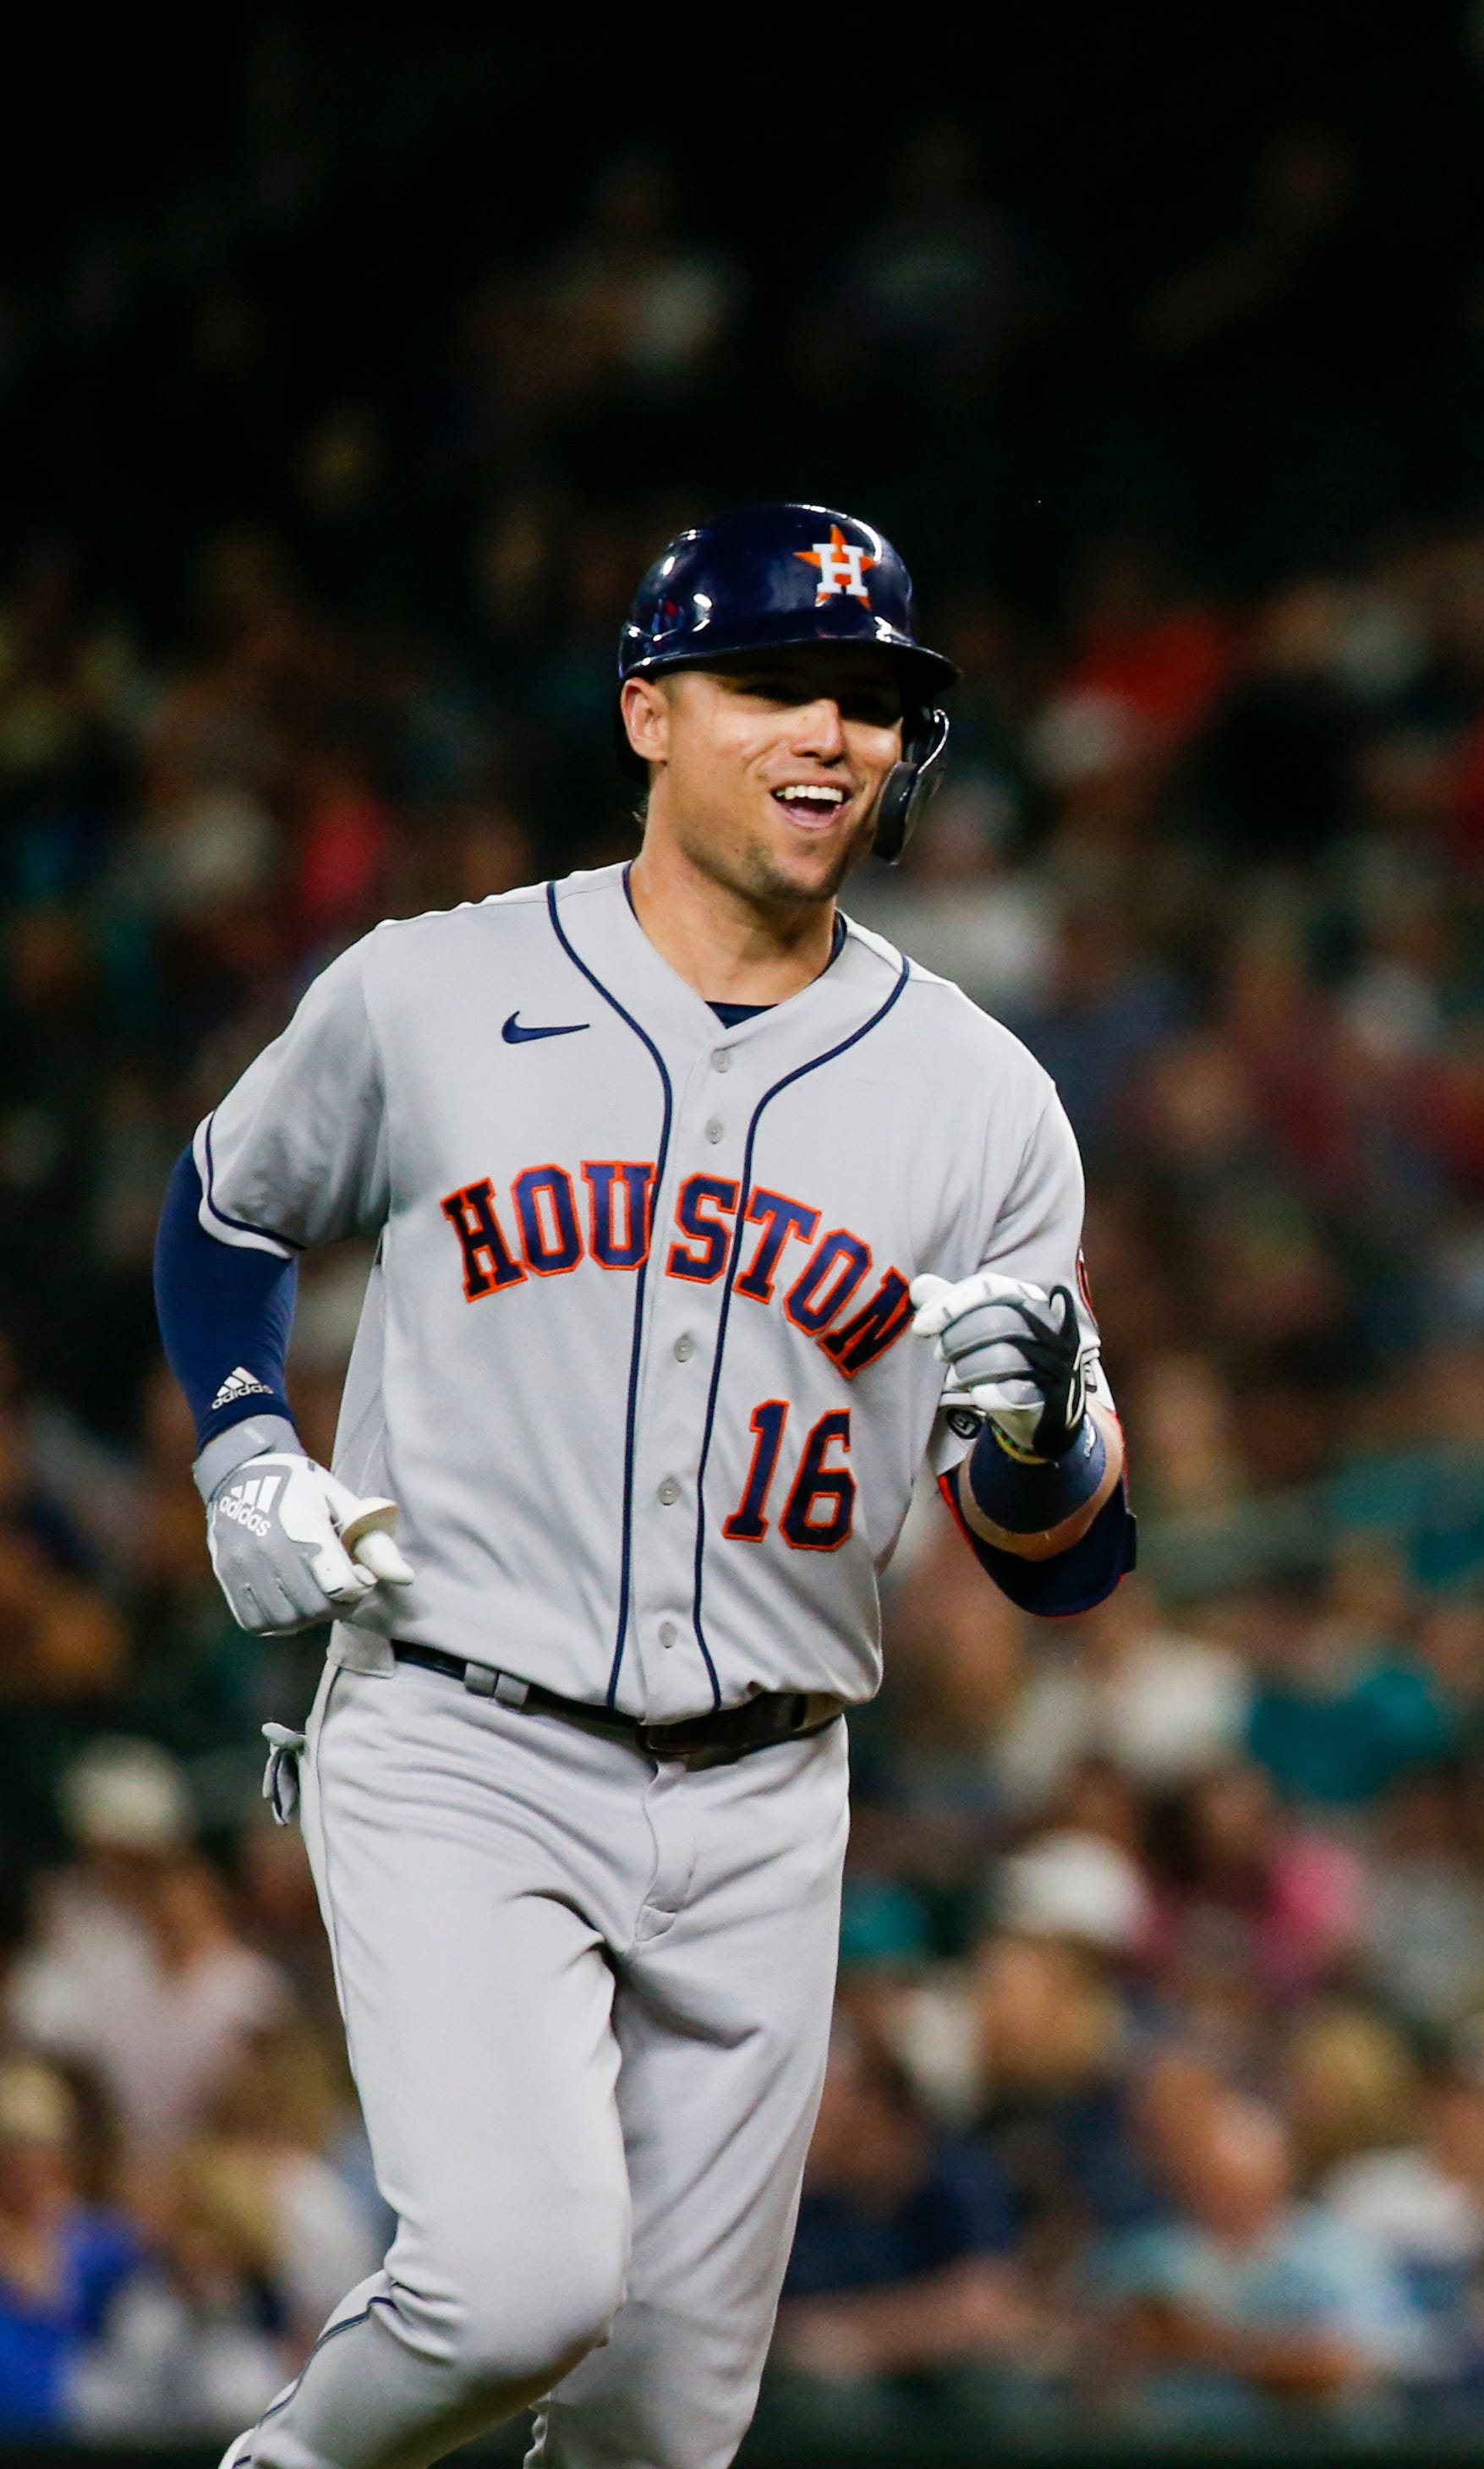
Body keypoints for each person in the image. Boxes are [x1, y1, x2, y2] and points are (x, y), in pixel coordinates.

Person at [155, 505, 1136, 2469]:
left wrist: (1045, 1438)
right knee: (512, 2285)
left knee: (662, 2428)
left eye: (871, 700)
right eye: (776, 683)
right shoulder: (430, 990)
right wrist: (249, 1435)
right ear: (648, 712)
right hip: (461, 1727)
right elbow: (223, 1204)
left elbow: (1060, 1563)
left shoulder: (981, 1099)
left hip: (773, 1786)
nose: (829, 733)